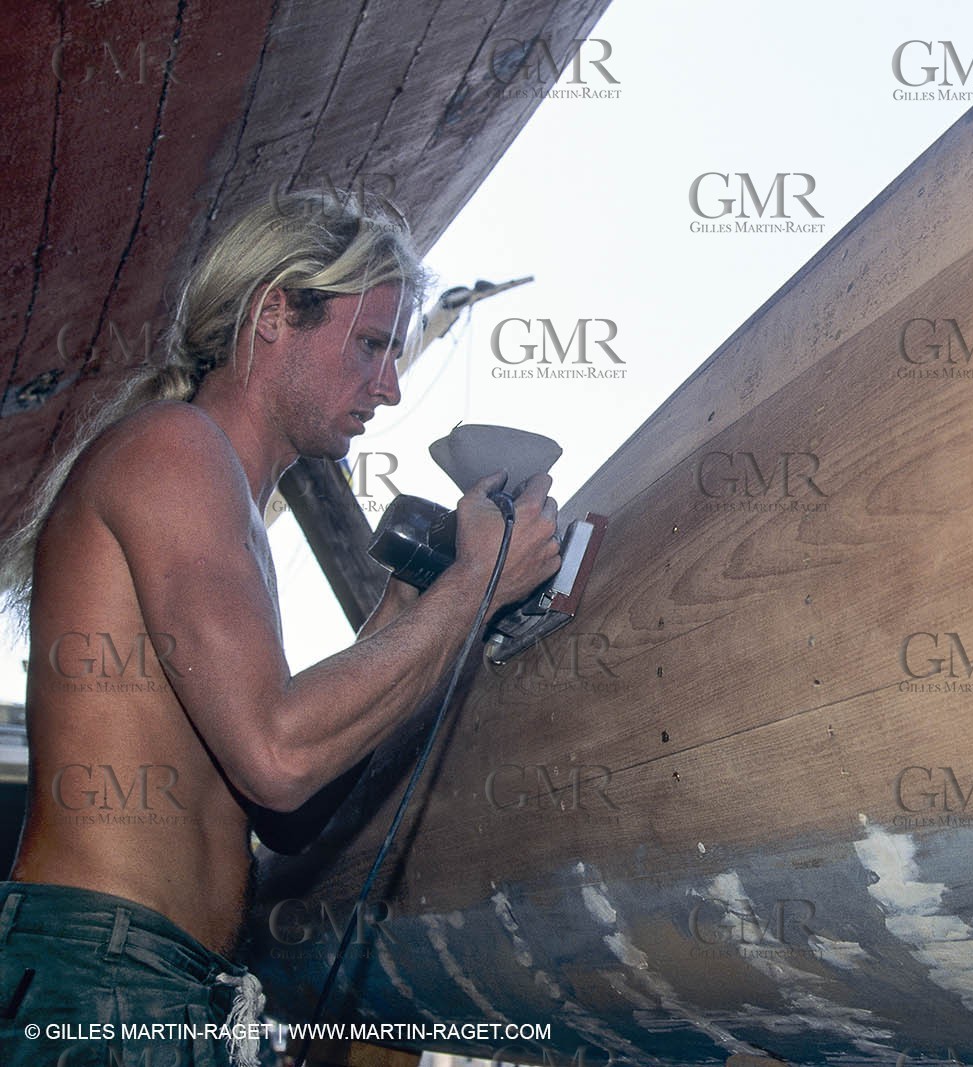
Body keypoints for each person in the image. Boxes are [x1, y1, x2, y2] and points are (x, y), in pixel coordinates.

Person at [0, 190, 561, 1066]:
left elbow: (284, 810)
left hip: (163, 981)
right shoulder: (175, 451)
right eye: (372, 344)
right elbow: (280, 753)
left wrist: (411, 605)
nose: (391, 384)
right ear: (273, 315)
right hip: (102, 973)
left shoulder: (228, 506)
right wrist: (478, 591)